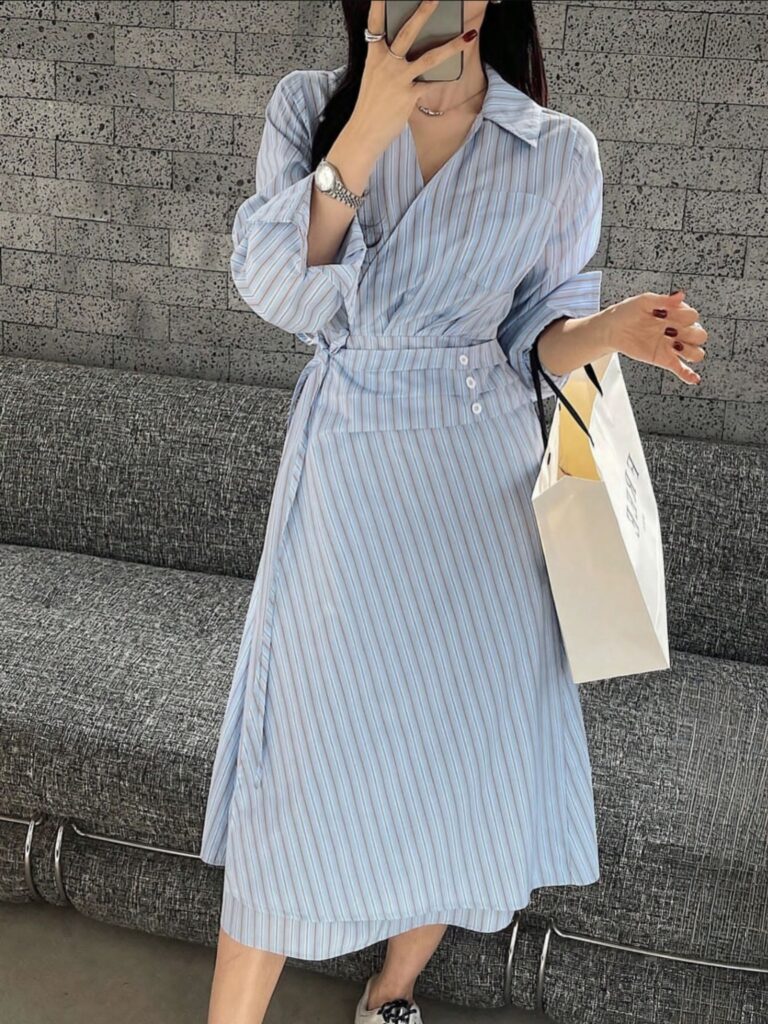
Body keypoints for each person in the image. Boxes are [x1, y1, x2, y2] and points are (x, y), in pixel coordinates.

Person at [200, 2, 707, 1022]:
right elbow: (278, 294)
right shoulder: (312, 108)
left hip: (481, 495)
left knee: (453, 758)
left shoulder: (556, 150)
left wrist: (611, 329)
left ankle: (392, 991)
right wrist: (366, 128)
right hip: (347, 484)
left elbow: (533, 338)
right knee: (298, 769)